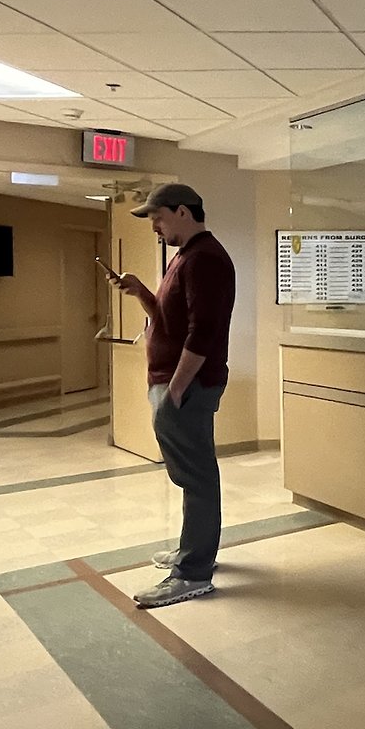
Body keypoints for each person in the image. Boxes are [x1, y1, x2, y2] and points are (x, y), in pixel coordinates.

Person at [105, 183, 236, 608]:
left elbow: (203, 332)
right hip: (177, 384)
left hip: (188, 386)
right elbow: (169, 320)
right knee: (191, 475)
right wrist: (142, 292)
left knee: (196, 478)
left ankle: (193, 573)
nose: (154, 227)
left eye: (158, 218)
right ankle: (193, 552)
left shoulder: (205, 259)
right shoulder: (185, 257)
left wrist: (176, 390)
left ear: (182, 211)